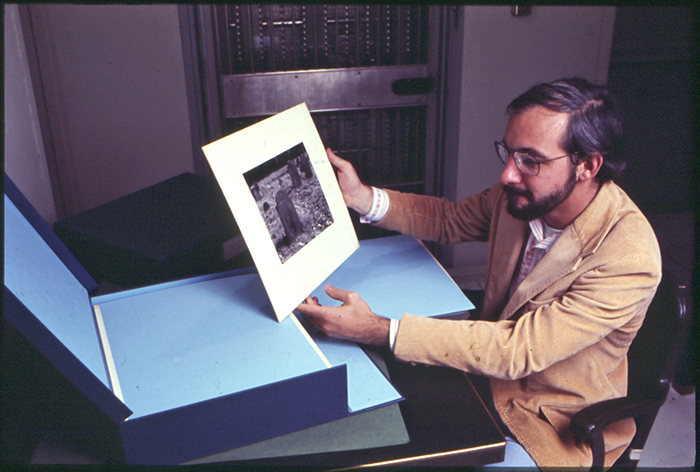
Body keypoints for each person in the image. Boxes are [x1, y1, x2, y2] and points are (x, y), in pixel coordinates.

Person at [296, 78, 662, 468]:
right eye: (509, 152)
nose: (507, 175)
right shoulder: (523, 194)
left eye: (530, 160)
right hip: (483, 376)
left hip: (550, 422)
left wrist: (377, 329)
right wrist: (362, 197)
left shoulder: (629, 256)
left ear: (587, 166)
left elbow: (518, 349)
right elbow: (450, 219)